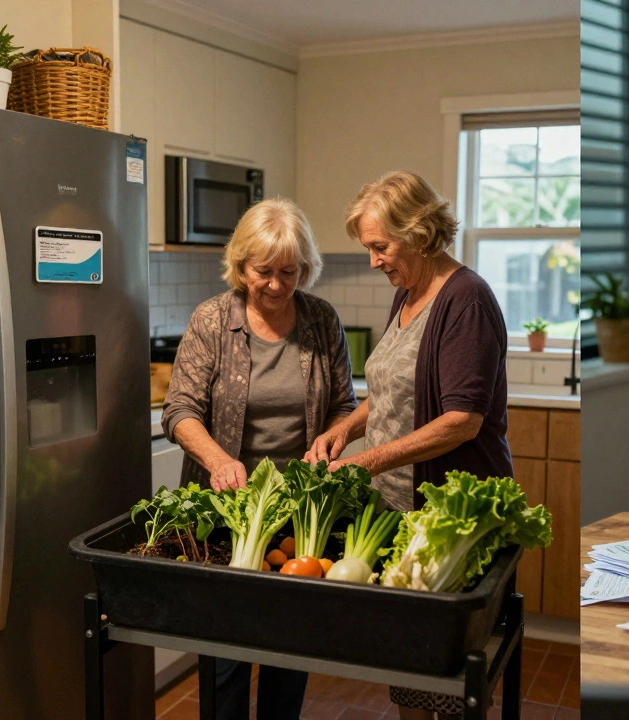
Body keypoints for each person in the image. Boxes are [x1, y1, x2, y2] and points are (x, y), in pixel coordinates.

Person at [305, 170, 512, 720]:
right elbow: (393, 390)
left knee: (440, 679)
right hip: (401, 507)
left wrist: (366, 461)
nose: (373, 260)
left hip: (445, 510)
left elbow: (462, 421)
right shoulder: (408, 293)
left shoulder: (465, 300)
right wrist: (343, 430)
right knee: (411, 671)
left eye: (380, 246)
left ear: (419, 232)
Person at [163, 197, 357, 719]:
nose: (275, 284)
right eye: (262, 272)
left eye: (288, 273)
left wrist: (333, 439)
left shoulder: (320, 319)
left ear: (305, 268)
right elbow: (179, 408)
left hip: (299, 512)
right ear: (240, 265)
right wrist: (218, 459)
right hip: (225, 508)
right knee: (223, 645)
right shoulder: (212, 320)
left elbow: (345, 406)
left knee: (289, 642)